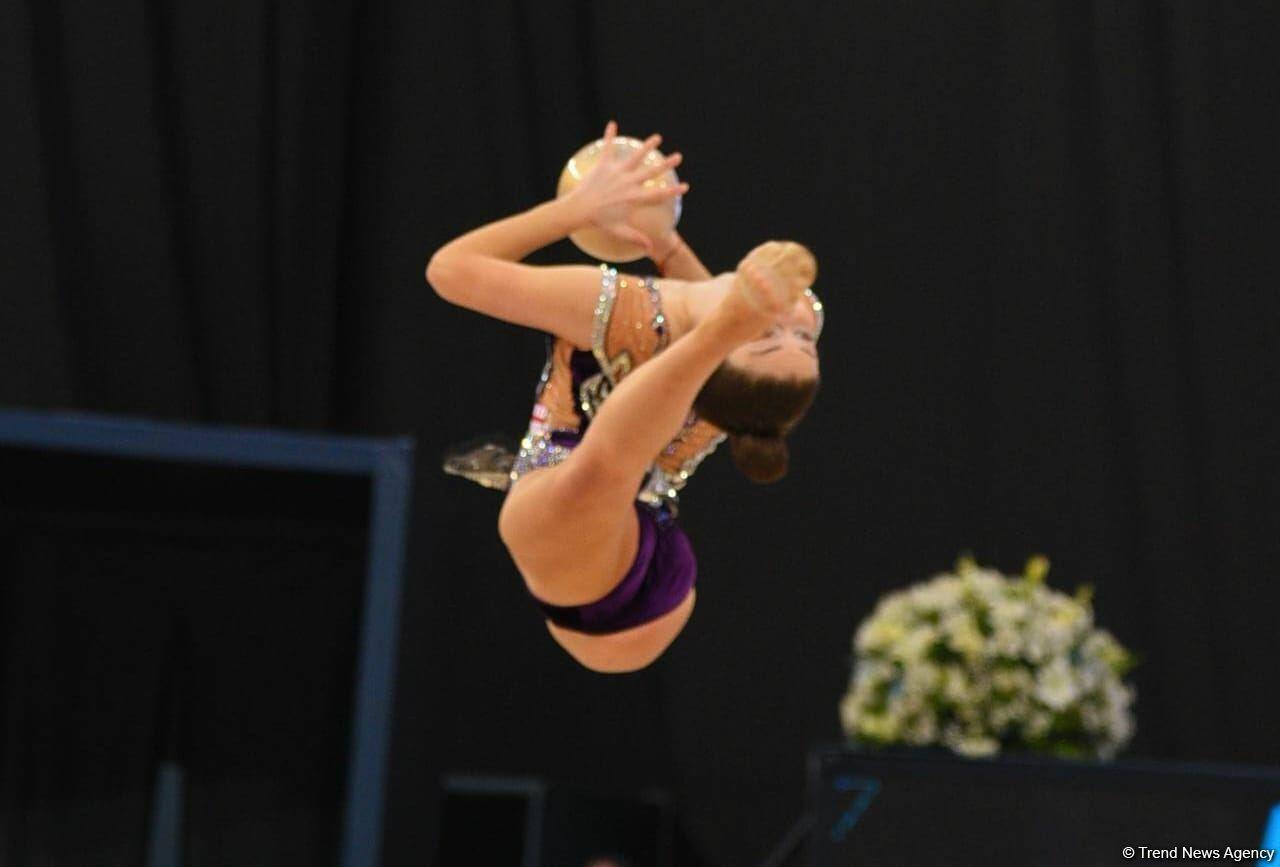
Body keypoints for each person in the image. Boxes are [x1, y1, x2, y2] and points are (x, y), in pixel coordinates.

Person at [427, 122, 823, 673]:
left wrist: (572, 211)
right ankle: (716, 341)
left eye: (763, 336)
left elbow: (449, 270)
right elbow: (702, 297)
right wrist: (665, 243)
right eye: (804, 337)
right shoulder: (728, 379)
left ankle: (715, 341)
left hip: (576, 535)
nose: (787, 320)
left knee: (601, 469)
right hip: (646, 558)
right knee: (607, 473)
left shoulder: (624, 310)